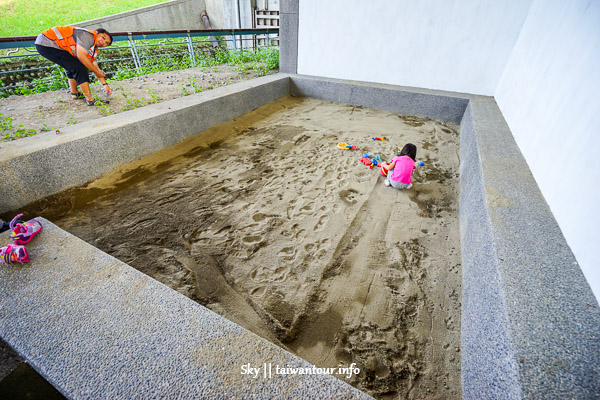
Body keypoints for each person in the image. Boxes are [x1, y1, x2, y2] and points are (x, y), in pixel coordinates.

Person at [35, 26, 113, 106]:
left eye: (106, 43)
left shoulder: (92, 49)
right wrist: (97, 72)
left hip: (51, 44)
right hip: (47, 42)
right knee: (79, 68)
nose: (103, 42)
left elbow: (95, 66)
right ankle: (90, 100)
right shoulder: (88, 36)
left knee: (72, 65)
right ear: (96, 32)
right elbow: (81, 56)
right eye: (103, 37)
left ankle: (74, 93)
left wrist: (105, 84)